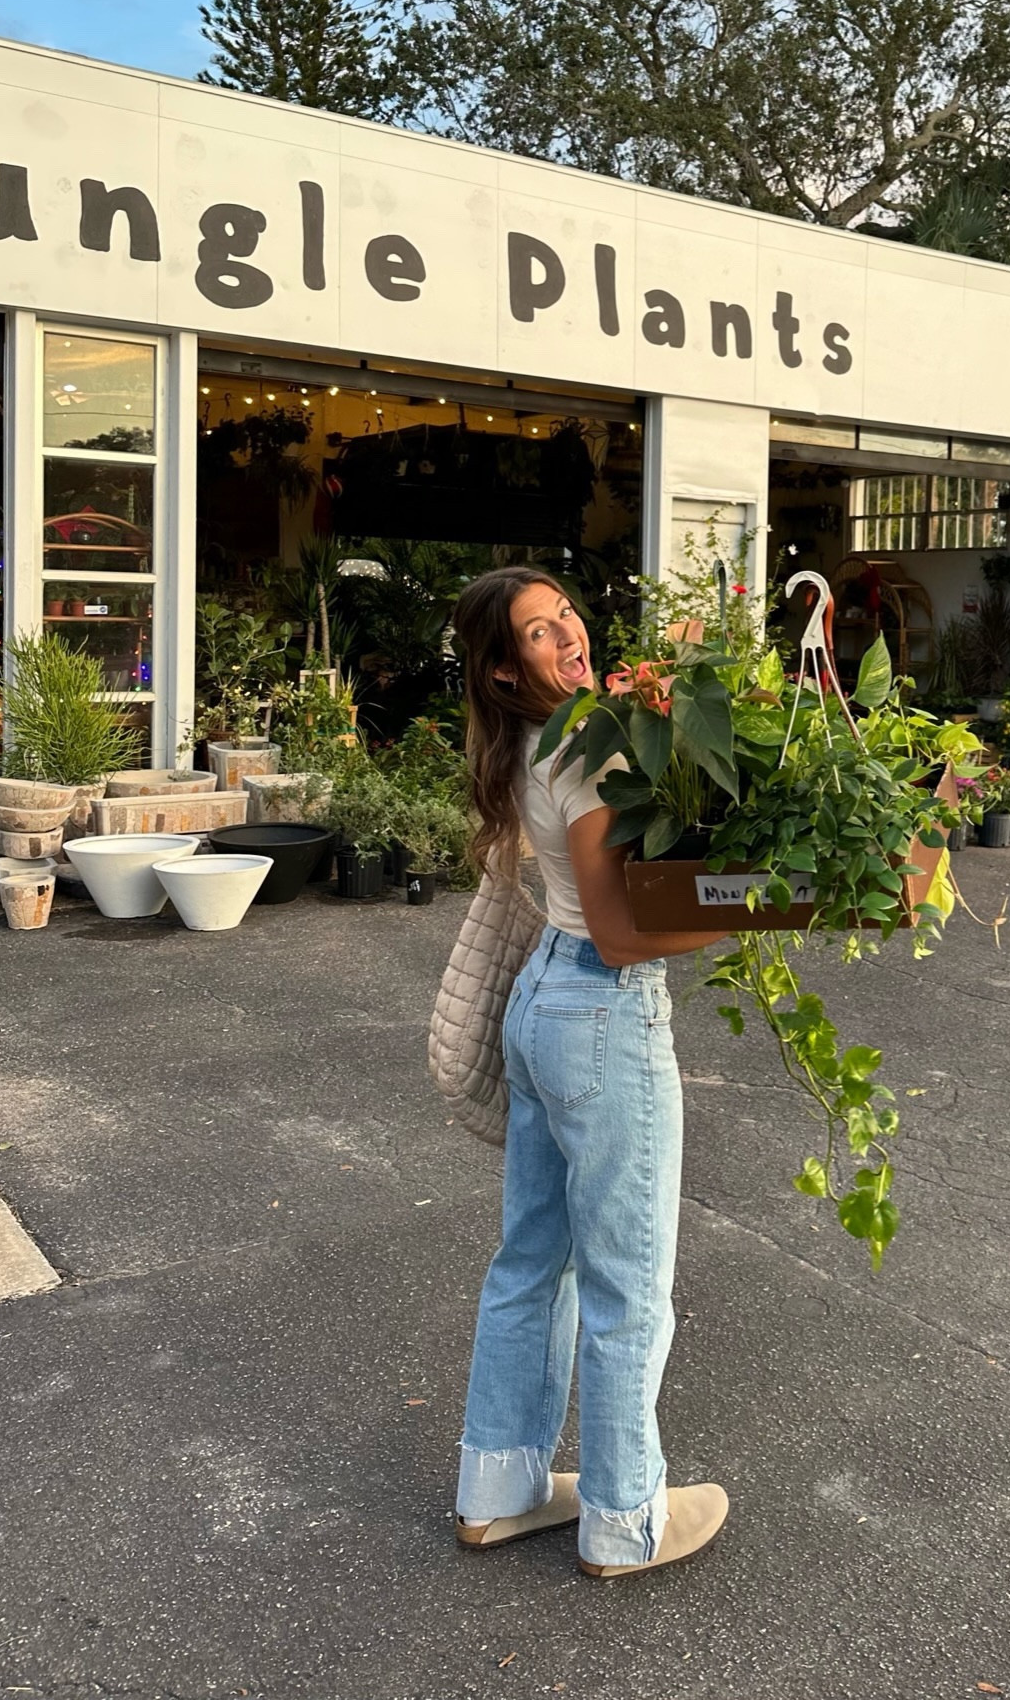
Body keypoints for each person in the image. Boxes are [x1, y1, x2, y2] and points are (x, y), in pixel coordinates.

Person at [447, 566, 727, 1580]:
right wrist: (778, 900)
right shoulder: (588, 744)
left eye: (567, 610)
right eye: (538, 630)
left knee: (532, 1257)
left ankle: (500, 1487)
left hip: (543, 1002)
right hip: (601, 1012)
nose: (568, 632)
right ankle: (625, 1517)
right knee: (627, 1285)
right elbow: (621, 929)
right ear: (505, 666)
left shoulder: (534, 737)